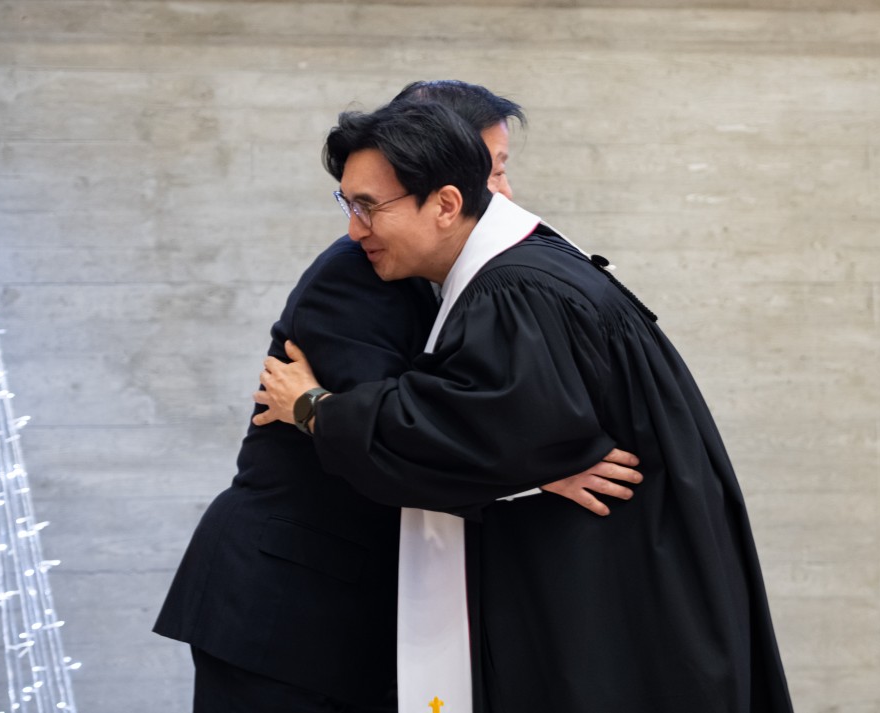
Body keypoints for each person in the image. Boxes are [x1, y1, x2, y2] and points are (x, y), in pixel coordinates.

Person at [254, 100, 795, 713]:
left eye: (368, 207)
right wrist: (533, 464)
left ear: (446, 204)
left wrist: (313, 406)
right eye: (347, 205)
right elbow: (508, 433)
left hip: (613, 583)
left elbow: (452, 430)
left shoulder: (514, 290)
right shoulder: (531, 270)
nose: (355, 230)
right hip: (633, 569)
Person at [153, 81, 642, 713]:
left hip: (355, 607)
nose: (500, 194)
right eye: (489, 172)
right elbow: (393, 438)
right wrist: (539, 469)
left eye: (499, 171)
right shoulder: (353, 276)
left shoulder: (453, 276)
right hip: (282, 606)